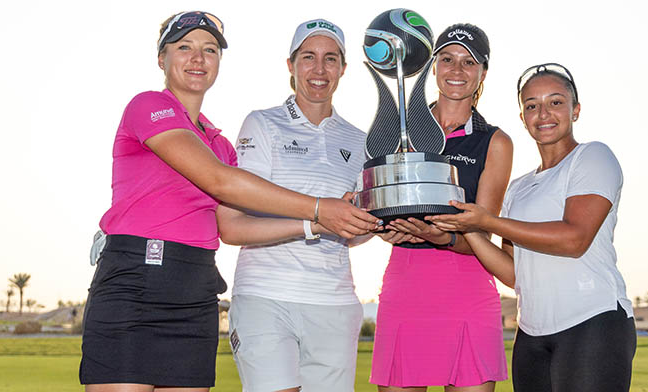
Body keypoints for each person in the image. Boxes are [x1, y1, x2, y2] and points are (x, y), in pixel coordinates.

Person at [79, 12, 379, 392]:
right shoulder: (148, 106)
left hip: (196, 287)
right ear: (162, 58)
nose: (198, 58)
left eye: (209, 50)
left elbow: (232, 225)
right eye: (184, 47)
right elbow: (221, 182)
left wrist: (326, 222)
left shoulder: (220, 143)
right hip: (135, 278)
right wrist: (319, 209)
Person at [428, 63, 636, 391]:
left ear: (575, 110)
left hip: (592, 323)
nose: (543, 113)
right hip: (532, 335)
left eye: (555, 102)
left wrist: (487, 220)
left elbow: (574, 239)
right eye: (532, 106)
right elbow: (514, 274)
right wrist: (462, 229)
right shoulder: (519, 188)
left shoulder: (592, 157)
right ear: (523, 117)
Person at [215, 19, 370, 392]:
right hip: (265, 296)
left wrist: (370, 223)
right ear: (291, 64)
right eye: (308, 57)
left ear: (343, 69)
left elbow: (350, 229)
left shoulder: (360, 139)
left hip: (334, 302)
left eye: (330, 59)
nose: (319, 70)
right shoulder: (262, 124)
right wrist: (314, 219)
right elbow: (233, 226)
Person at [370, 23, 513, 392]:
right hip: (406, 284)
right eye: (447, 59)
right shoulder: (397, 129)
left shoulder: (494, 141)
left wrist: (443, 237)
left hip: (466, 286)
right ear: (432, 66)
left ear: (483, 71)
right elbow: (381, 202)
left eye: (469, 62)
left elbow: (481, 232)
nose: (457, 70)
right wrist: (383, 227)